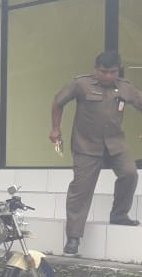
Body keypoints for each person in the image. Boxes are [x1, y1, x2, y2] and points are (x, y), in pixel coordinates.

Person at [51, 50, 142, 256]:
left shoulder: (125, 87)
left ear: (118, 70)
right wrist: (56, 129)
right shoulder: (81, 84)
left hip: (116, 144)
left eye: (112, 72)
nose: (108, 76)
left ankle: (119, 215)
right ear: (95, 70)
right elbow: (58, 102)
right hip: (86, 146)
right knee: (81, 190)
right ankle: (73, 238)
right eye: (104, 72)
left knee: (130, 174)